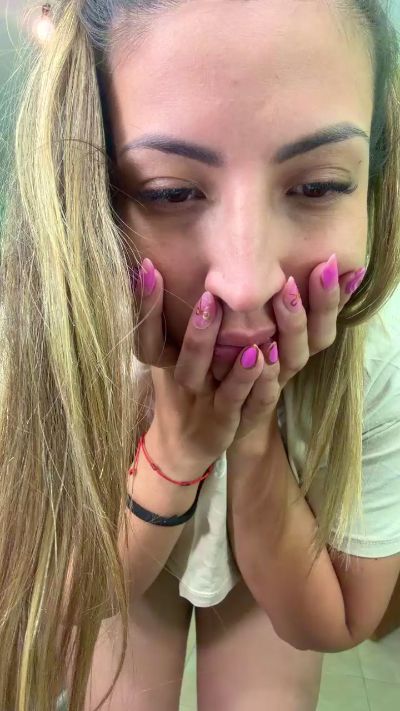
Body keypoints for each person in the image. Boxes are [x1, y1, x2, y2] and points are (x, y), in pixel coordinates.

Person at [0, 0, 399, 709]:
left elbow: (338, 619)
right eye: (172, 192)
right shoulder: (59, 327)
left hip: (281, 536)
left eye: (318, 186)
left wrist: (252, 434)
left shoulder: (379, 351)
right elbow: (53, 602)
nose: (246, 288)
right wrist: (178, 448)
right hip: (122, 524)